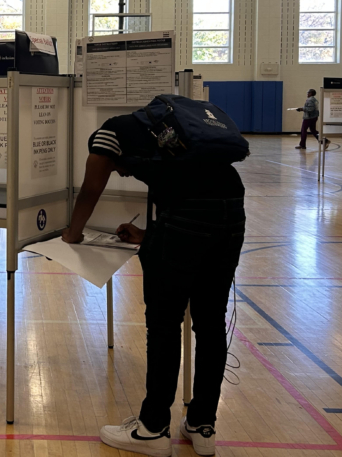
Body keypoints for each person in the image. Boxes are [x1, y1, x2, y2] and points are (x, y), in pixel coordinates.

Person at [62, 111, 246, 457]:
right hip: (232, 212)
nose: (119, 171)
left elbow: (90, 188)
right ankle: (202, 425)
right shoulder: (163, 130)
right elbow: (195, 202)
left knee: (164, 325)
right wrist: (151, 236)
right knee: (209, 323)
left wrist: (73, 232)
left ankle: (152, 430)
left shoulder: (108, 135)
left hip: (190, 218)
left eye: (117, 166)